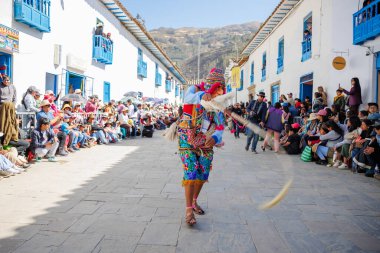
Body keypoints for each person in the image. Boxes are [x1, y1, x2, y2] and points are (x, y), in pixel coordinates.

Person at [177, 68, 226, 226]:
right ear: (211, 89)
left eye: (221, 93)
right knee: (191, 171)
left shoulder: (218, 106)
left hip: (205, 140)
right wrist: (201, 96)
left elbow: (220, 126)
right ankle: (188, 210)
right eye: (217, 92)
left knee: (203, 172)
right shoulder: (195, 91)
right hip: (187, 138)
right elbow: (188, 97)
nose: (219, 95)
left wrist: (216, 137)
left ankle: (194, 201)